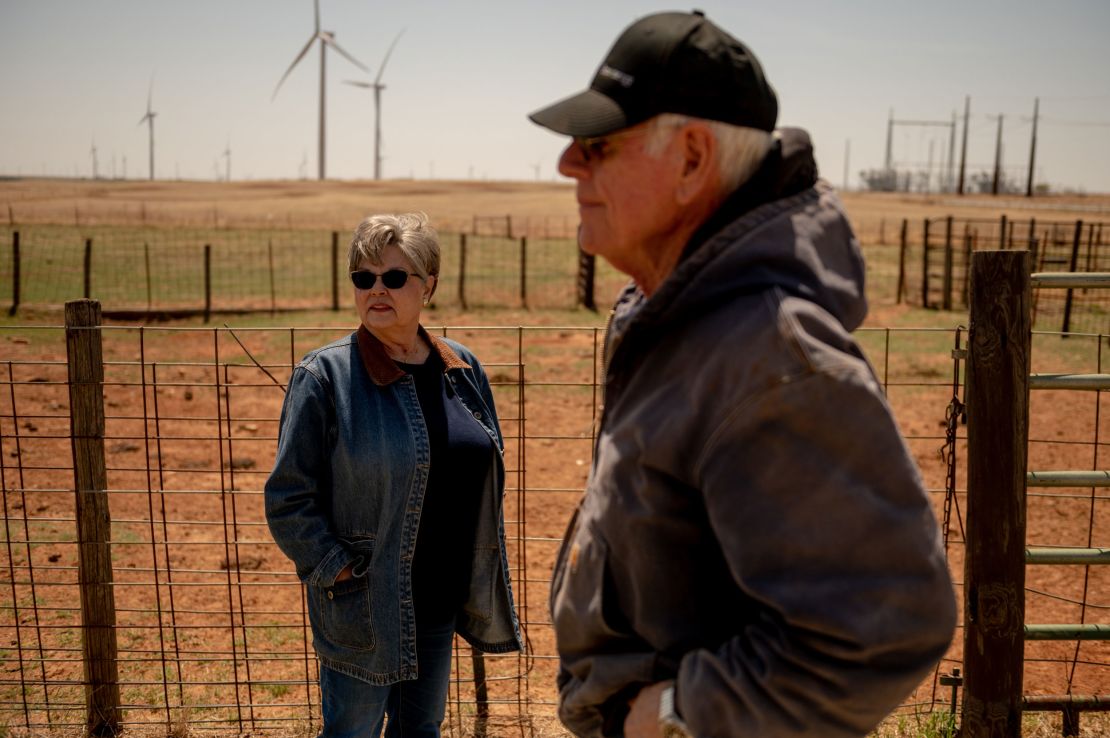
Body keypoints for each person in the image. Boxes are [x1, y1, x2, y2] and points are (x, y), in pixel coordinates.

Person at [529, 11, 956, 738]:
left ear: (692, 159)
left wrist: (674, 717)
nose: (569, 163)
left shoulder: (771, 357)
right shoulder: (676, 318)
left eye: (599, 145)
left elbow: (881, 627)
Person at [264, 212, 523, 738]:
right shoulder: (325, 377)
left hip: (438, 600)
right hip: (366, 600)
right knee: (352, 732)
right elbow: (289, 496)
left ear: (429, 285)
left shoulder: (463, 369)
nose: (376, 289)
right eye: (364, 277)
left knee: (419, 730)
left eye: (394, 277)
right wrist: (338, 570)